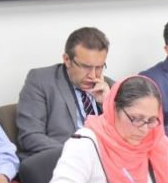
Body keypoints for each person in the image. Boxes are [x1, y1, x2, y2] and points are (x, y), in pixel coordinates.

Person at [45, 76, 168, 183]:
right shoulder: (86, 141)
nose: (144, 129)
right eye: (136, 118)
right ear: (114, 109)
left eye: (151, 120)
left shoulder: (155, 139)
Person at [17, 27, 112, 159]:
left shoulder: (109, 87)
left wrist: (107, 105)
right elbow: (30, 136)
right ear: (67, 60)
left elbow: (128, 137)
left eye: (99, 67)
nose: (92, 75)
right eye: (85, 67)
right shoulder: (41, 80)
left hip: (106, 163)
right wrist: (78, 155)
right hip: (62, 161)